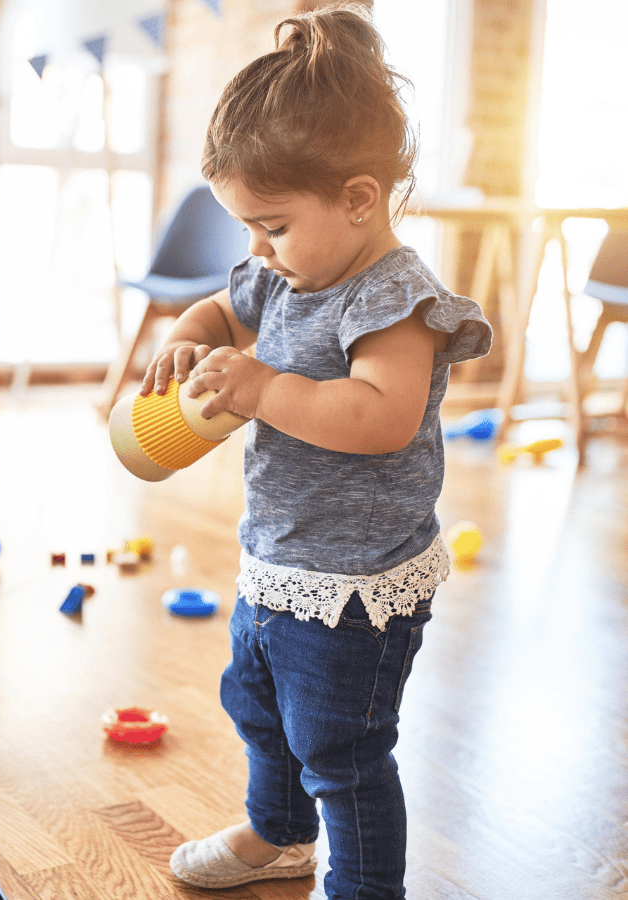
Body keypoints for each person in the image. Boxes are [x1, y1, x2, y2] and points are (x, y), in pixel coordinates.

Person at [139, 4, 492, 899]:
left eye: (273, 224)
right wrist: (188, 332)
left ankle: (366, 887)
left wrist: (262, 390)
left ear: (359, 198)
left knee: (343, 750)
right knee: (259, 710)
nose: (256, 250)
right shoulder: (292, 267)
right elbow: (224, 308)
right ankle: (280, 833)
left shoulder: (396, 300)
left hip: (360, 588)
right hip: (282, 555)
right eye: (246, 228)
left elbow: (381, 417)